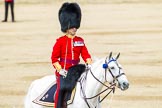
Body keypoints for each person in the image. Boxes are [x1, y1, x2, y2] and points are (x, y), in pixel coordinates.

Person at [51, 2, 92, 108]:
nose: (75, 28)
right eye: (72, 26)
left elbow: (85, 54)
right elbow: (54, 59)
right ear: (67, 26)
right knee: (61, 89)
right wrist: (60, 69)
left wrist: (89, 62)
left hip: (77, 69)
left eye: (75, 26)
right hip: (64, 70)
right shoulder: (60, 41)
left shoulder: (80, 40)